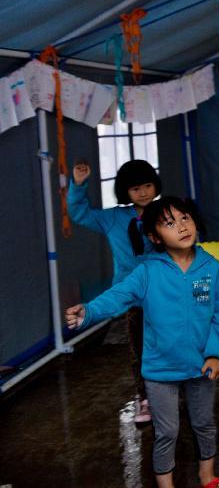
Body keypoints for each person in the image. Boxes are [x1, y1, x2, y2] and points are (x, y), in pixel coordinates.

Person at [65, 197, 219, 488]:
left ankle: (208, 477)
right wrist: (89, 310)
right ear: (155, 237)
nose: (181, 227)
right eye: (169, 223)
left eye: (185, 218)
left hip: (201, 366)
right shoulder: (147, 272)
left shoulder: (211, 268)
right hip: (160, 370)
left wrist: (216, 354)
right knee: (167, 432)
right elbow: (118, 295)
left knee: (204, 424)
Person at [68, 158, 160, 423]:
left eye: (147, 185)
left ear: (155, 186)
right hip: (133, 297)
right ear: (125, 192)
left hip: (164, 292)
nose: (142, 192)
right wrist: (78, 185)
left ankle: (171, 391)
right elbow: (79, 213)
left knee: (170, 343)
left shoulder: (165, 212)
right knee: (140, 348)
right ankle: (145, 400)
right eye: (135, 188)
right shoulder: (112, 218)